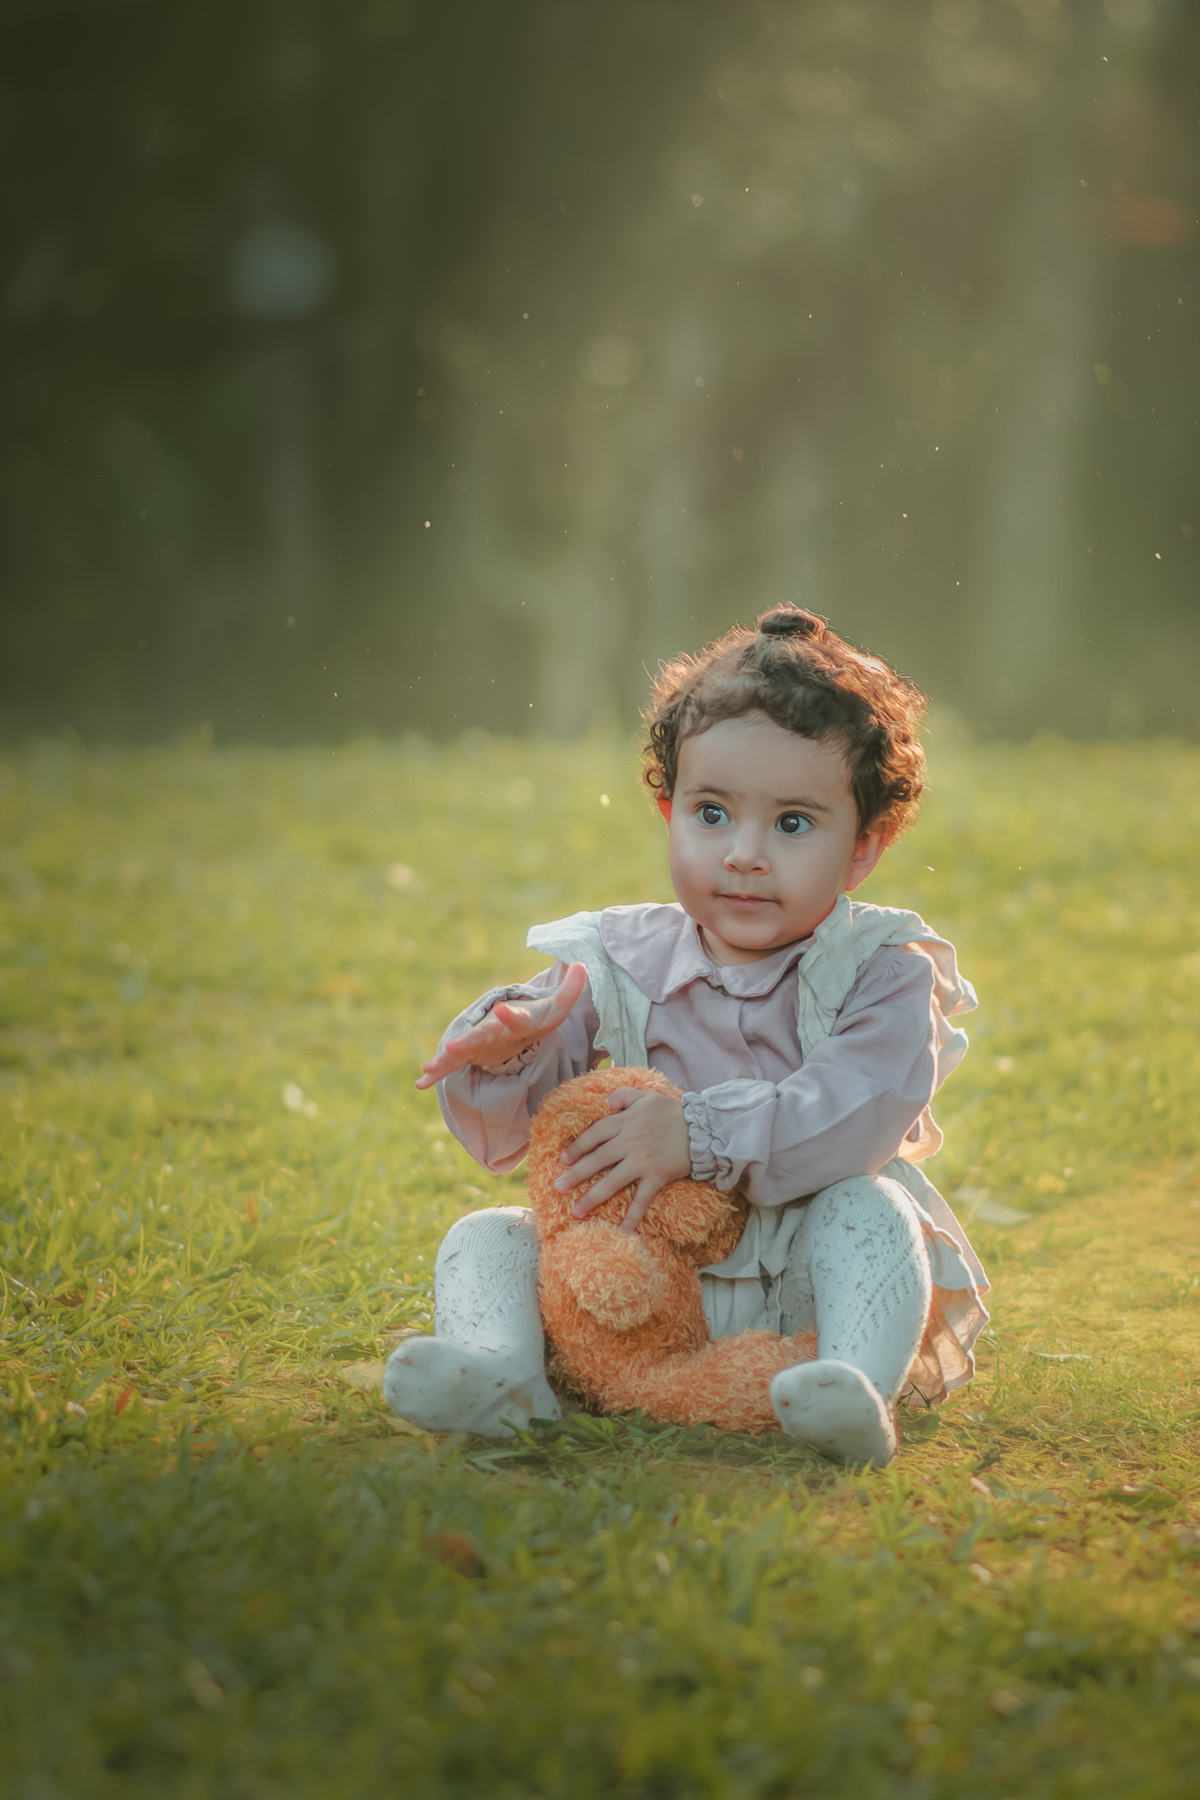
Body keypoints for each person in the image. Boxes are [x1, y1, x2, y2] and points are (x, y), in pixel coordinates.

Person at [383, 607, 988, 1467]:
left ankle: (849, 1387)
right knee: (487, 1234)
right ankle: (502, 1377)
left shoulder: (883, 970)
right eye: (712, 814)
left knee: (873, 1210)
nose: (743, 854)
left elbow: (856, 1112)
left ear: (864, 848)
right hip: (641, 1291)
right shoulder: (614, 960)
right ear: (669, 810)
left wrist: (698, 1138)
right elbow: (525, 1134)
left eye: (791, 824)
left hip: (800, 1280)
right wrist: (507, 1049)